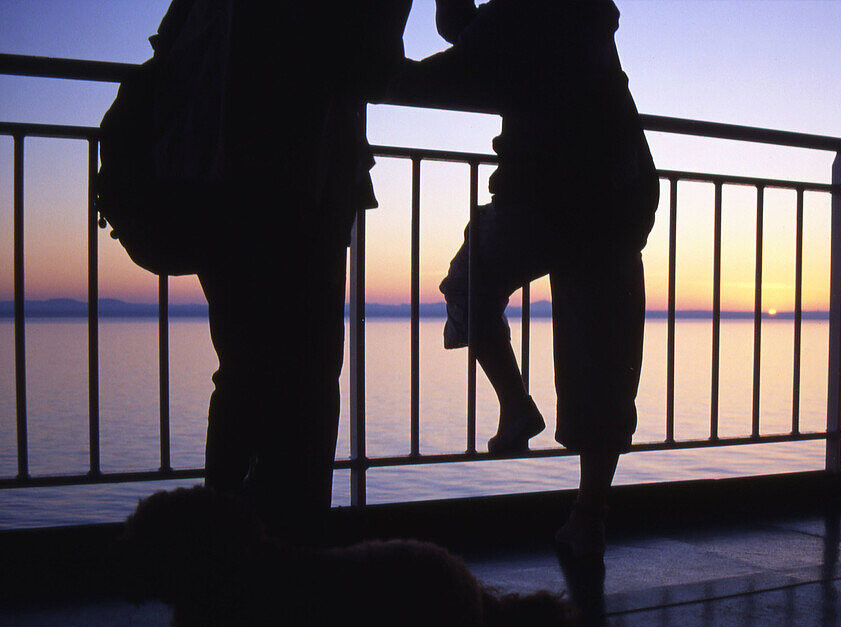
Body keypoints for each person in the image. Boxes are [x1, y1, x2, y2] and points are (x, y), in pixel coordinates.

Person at [395, 0, 659, 556]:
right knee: (602, 359)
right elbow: (476, 36)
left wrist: (369, 73)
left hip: (549, 195)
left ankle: (516, 406)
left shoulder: (524, 12)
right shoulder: (577, 16)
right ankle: (589, 516)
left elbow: (461, 58)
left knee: (470, 280)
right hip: (619, 191)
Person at [184, 0, 412, 540]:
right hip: (301, 180)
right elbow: (372, 65)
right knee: (304, 379)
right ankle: (291, 572)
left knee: (242, 371)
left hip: (212, 174)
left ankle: (221, 560)